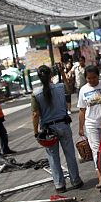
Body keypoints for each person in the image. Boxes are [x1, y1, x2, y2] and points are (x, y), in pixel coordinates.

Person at [32, 65, 83, 193]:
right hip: (63, 125)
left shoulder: (36, 94)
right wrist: (62, 73)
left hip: (48, 130)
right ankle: (75, 180)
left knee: (53, 158)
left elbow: (35, 114)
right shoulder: (59, 87)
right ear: (51, 76)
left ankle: (60, 185)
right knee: (70, 154)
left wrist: (35, 132)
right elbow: (69, 90)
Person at [78, 65, 101, 186]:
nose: (92, 80)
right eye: (89, 78)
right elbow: (82, 110)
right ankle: (100, 177)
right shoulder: (83, 90)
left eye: (94, 77)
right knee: (96, 151)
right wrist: (81, 127)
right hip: (91, 124)